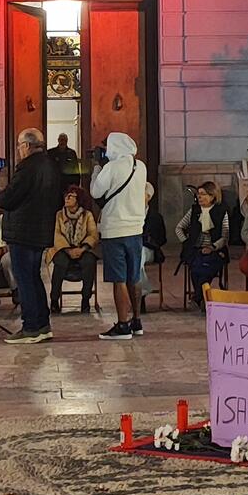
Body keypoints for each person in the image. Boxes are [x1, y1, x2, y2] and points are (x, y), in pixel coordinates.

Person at [0, 128, 66, 344]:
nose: (18, 150)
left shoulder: (27, 168)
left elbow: (9, 198)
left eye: (19, 145)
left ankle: (31, 327)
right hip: (41, 231)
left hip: (22, 232)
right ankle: (43, 325)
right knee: (34, 277)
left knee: (25, 279)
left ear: (26, 146)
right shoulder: (51, 166)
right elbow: (58, 201)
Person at [91, 131, 148, 340]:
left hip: (115, 230)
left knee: (119, 279)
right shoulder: (140, 166)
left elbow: (96, 192)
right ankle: (136, 321)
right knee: (134, 276)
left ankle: (123, 325)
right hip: (136, 229)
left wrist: (96, 169)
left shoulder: (111, 167)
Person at [175, 181, 231, 309]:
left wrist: (212, 247)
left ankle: (198, 297)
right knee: (195, 269)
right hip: (196, 249)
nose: (199, 197)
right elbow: (179, 228)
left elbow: (225, 236)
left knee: (206, 269)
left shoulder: (221, 211)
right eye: (198, 194)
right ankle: (203, 298)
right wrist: (186, 242)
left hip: (215, 249)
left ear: (212, 196)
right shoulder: (194, 210)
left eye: (203, 194)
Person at [48, 185, 101, 312]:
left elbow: (93, 234)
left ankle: (86, 299)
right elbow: (57, 235)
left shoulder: (87, 215)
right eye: (66, 195)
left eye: (71, 196)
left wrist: (82, 249)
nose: (67, 198)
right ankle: (54, 299)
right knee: (60, 261)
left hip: (83, 248)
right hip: (64, 248)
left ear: (78, 200)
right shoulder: (59, 215)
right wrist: (68, 250)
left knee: (89, 261)